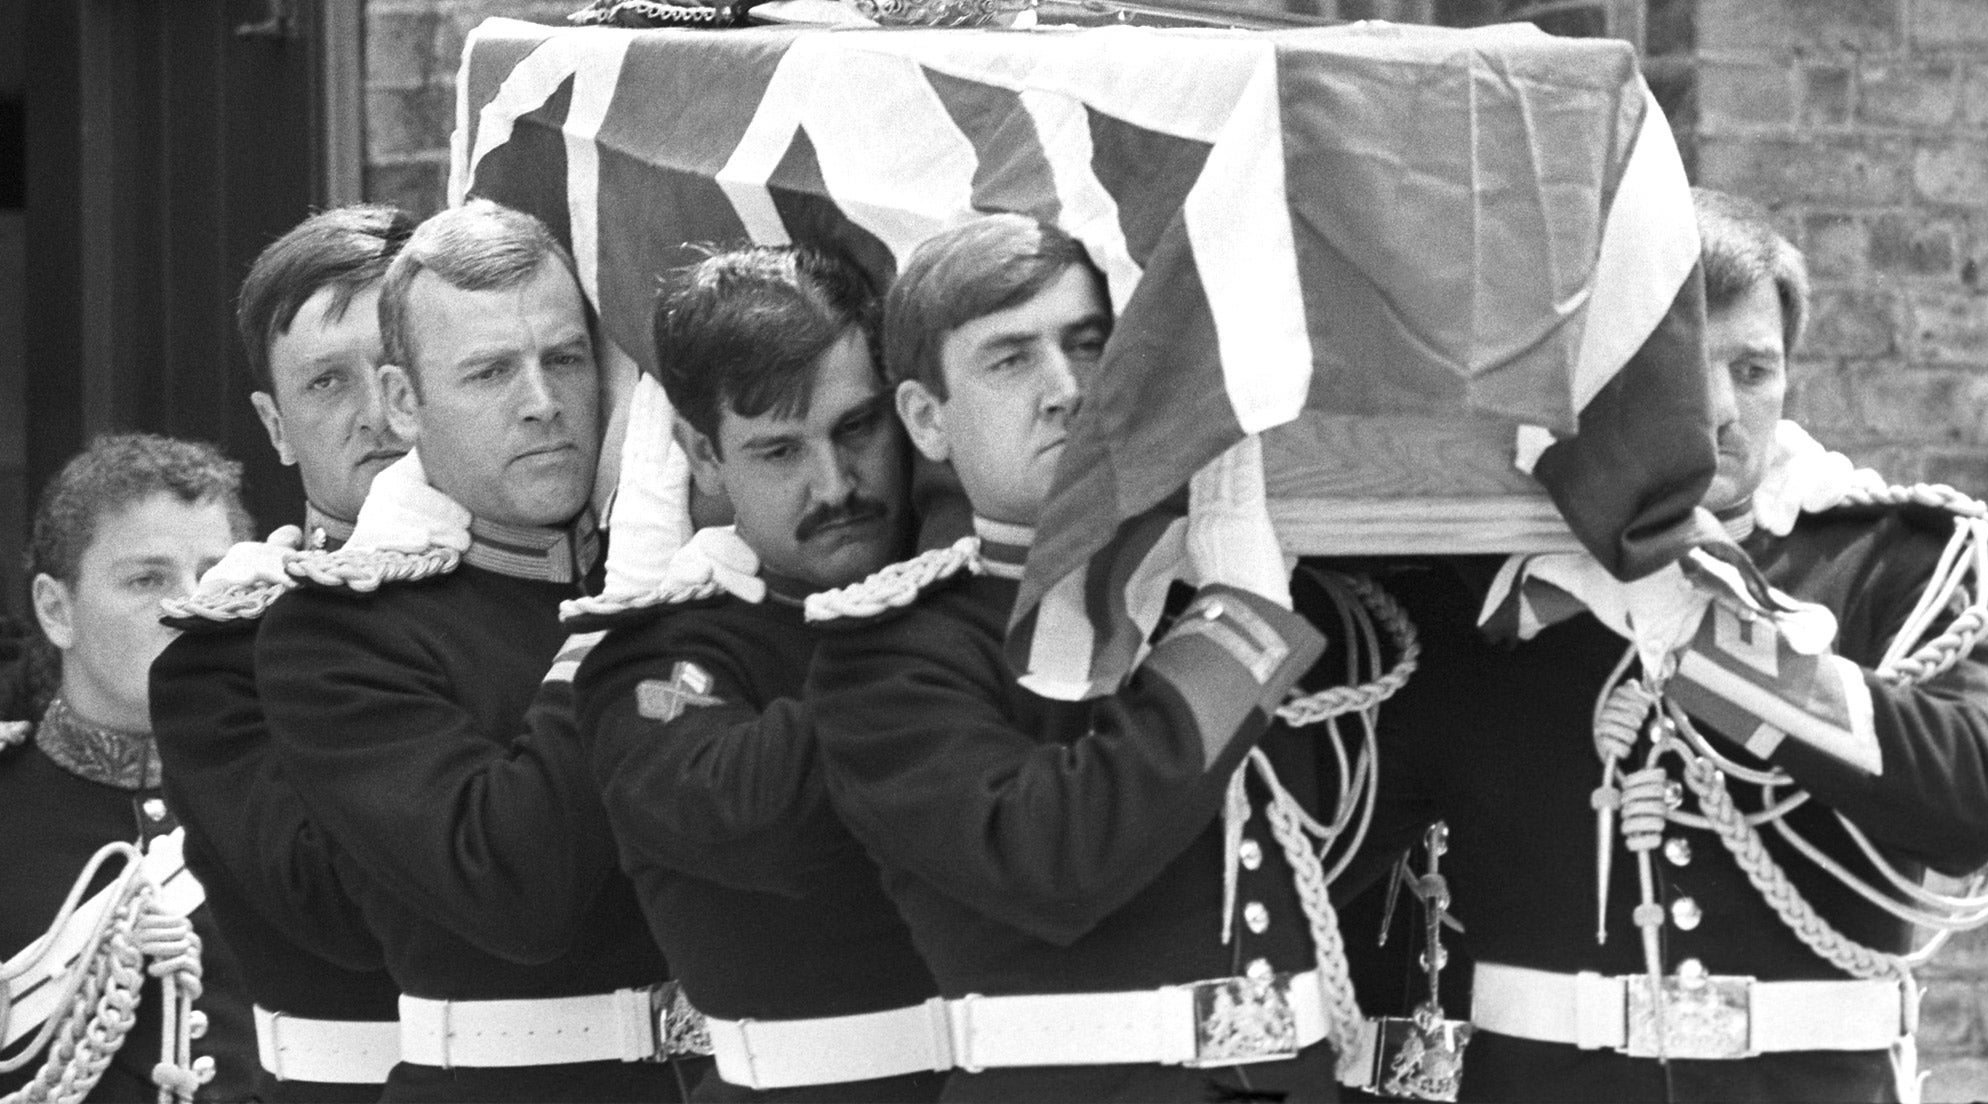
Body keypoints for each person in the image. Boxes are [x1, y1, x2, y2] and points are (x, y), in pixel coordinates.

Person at [1358, 187, 1988, 1102]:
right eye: (1684, 371)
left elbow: (1979, 803)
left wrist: (1708, 635)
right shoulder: (1472, 591)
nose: (1721, 410)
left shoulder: (1899, 564)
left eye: (1754, 370)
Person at [805, 213, 1355, 1102]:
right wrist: (1240, 623)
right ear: (926, 419)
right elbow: (1055, 860)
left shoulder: (1233, 594)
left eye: (1089, 344)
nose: (1066, 388)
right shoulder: (888, 662)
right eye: (1011, 358)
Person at [253, 200, 680, 1103]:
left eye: (565, 359)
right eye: (490, 372)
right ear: (406, 403)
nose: (542, 404)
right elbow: (520, 889)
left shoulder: (663, 577)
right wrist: (617, 622)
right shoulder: (340, 638)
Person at [567, 245, 945, 1100]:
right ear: (703, 457)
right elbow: (755, 814)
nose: (836, 483)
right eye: (779, 451)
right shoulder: (654, 664)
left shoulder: (977, 603)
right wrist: (941, 612)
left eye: (858, 428)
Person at [150, 205, 414, 1100]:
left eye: (399, 368)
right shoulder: (226, 653)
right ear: (274, 425)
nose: (378, 413)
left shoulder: (565, 592)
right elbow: (338, 914)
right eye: (326, 385)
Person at [0, 433, 262, 1102]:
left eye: (213, 574)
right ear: (56, 609)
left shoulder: (286, 801)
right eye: (148, 579)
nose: (190, 606)